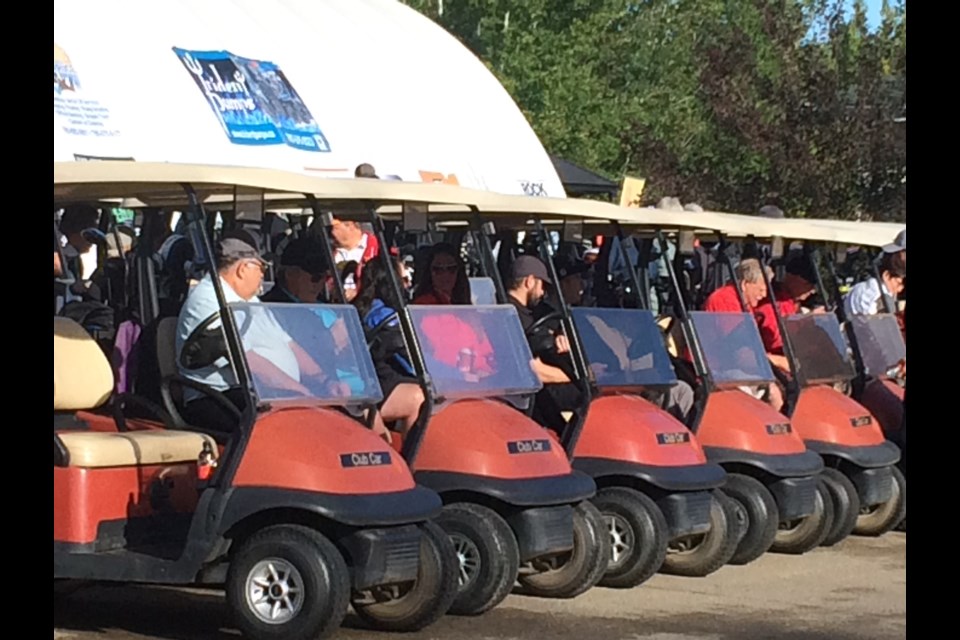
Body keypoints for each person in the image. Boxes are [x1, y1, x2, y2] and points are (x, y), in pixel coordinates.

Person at [175, 236, 348, 433]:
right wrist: (301, 393)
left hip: (261, 394)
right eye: (261, 269)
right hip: (218, 397)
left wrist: (324, 381)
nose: (263, 277)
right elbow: (250, 362)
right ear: (242, 269)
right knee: (292, 428)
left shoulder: (252, 301)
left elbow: (289, 344)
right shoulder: (208, 301)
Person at [353, 257, 426, 438]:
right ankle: (413, 456)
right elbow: (410, 359)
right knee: (423, 395)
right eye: (403, 279)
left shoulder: (360, 307)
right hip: (379, 381)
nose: (407, 285)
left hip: (373, 378)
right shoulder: (386, 316)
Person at [701, 258, 784, 412]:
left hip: (734, 367)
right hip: (719, 368)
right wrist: (775, 362)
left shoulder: (745, 305)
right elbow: (738, 351)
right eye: (760, 290)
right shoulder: (725, 300)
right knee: (773, 392)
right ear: (745, 284)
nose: (764, 295)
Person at [843, 249, 905, 317]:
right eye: (899, 283)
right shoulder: (875, 295)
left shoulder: (866, 287)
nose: (900, 289)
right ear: (886, 276)